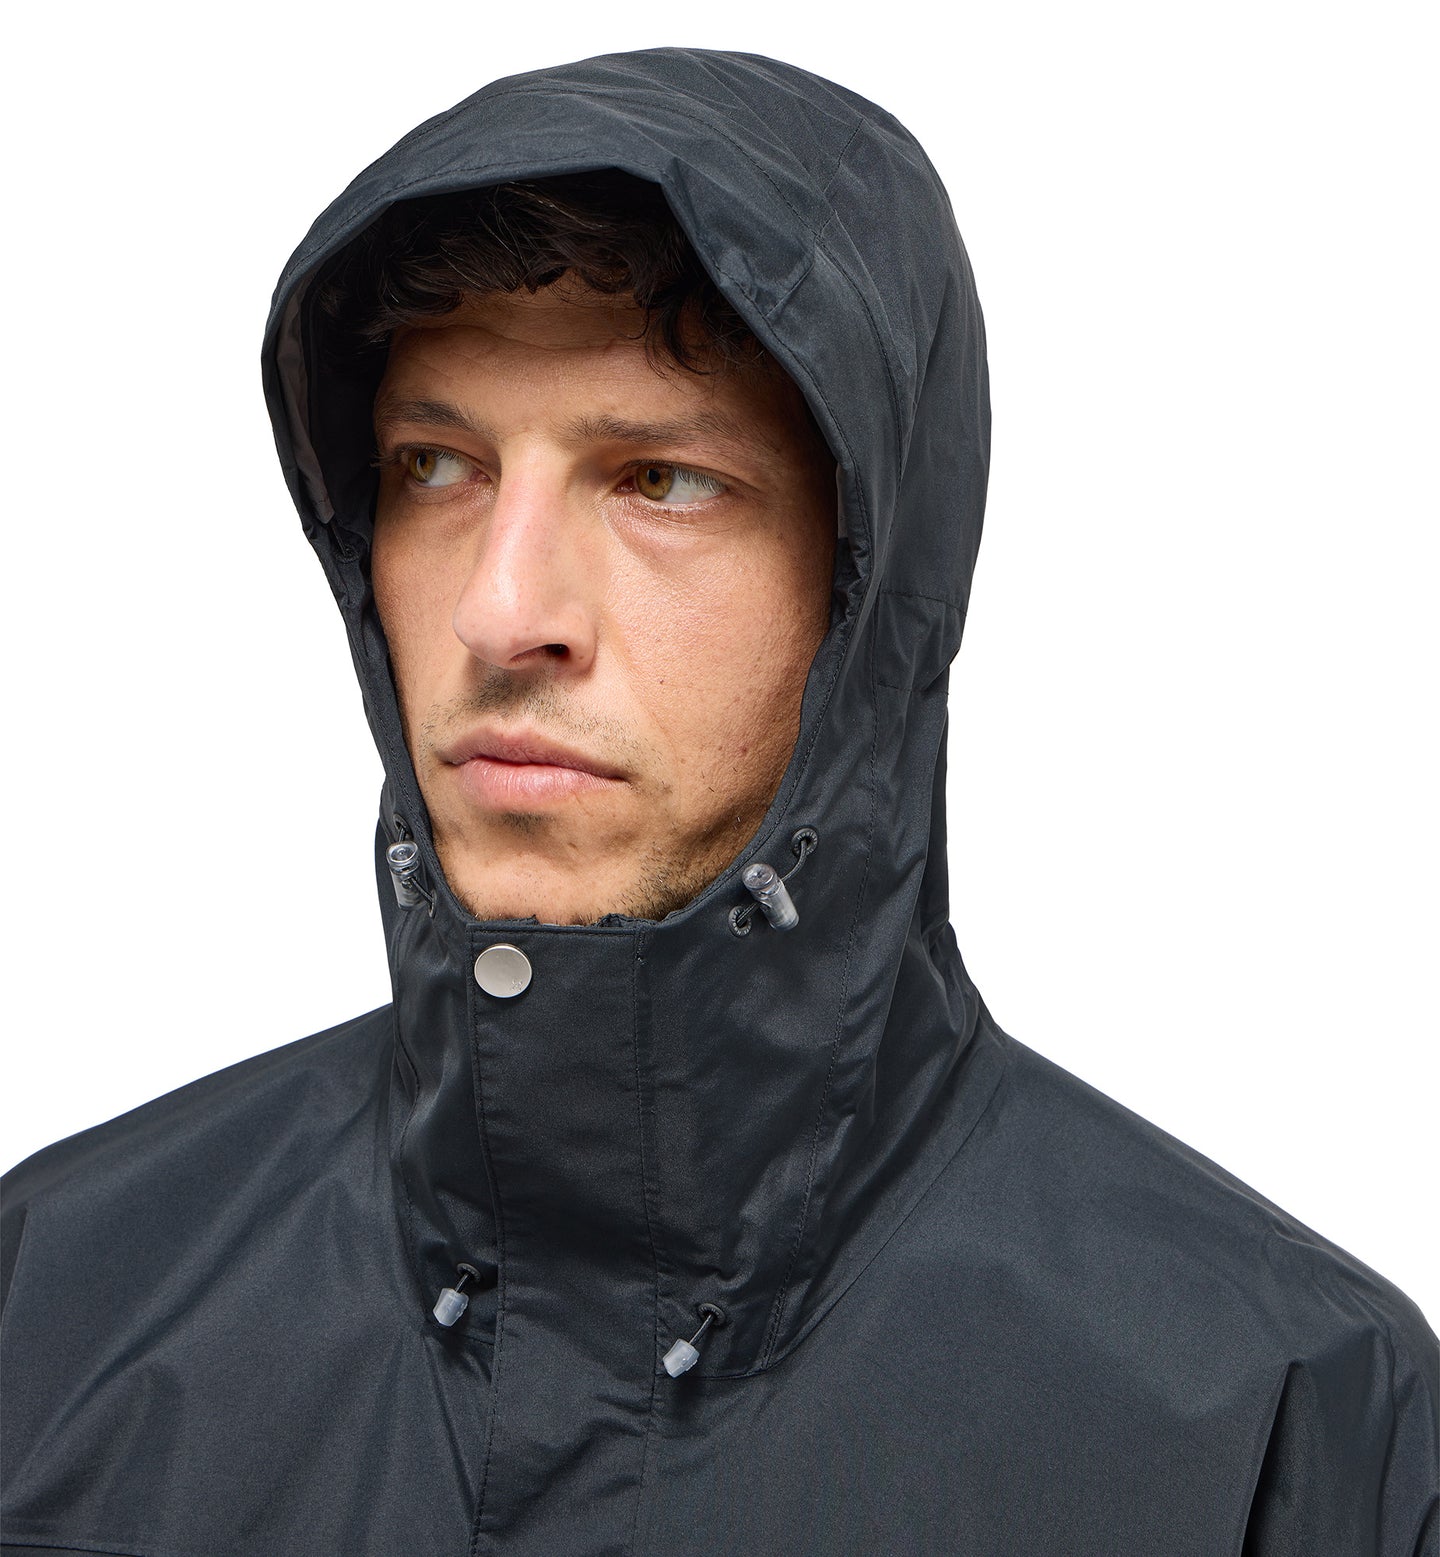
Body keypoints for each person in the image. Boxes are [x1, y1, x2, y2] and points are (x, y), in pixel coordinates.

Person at [1, 45, 1435, 1557]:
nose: (501, 611)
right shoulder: (57, 1305)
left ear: (870, 585)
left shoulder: (1278, 1426)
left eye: (661, 481)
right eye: (436, 465)